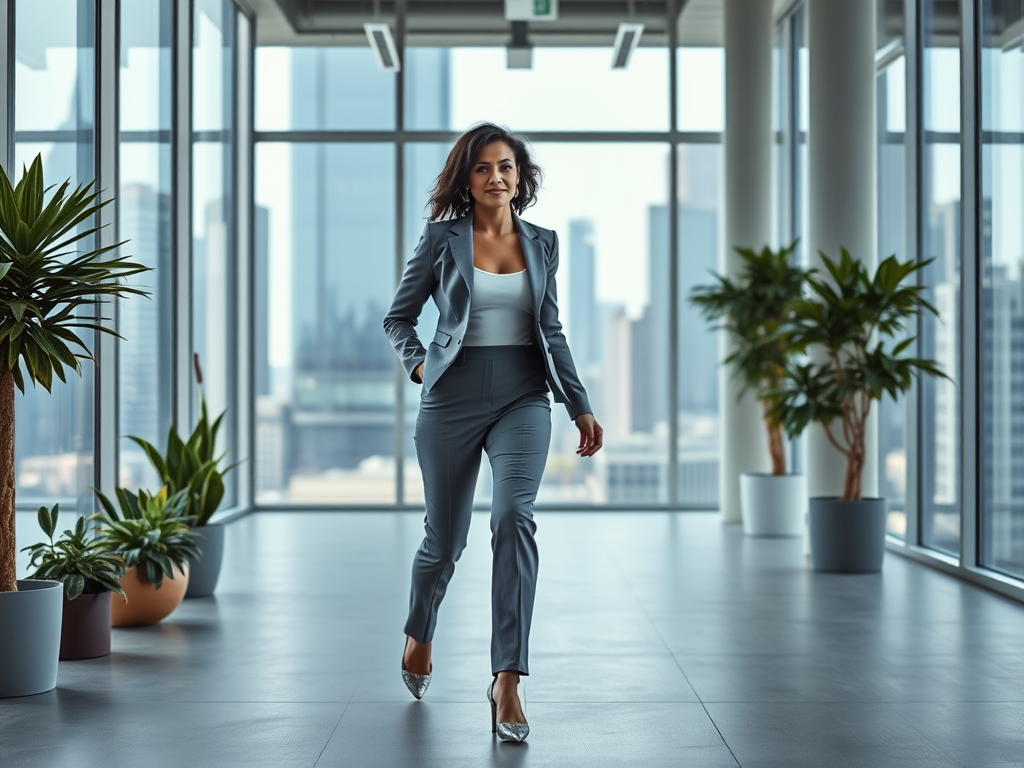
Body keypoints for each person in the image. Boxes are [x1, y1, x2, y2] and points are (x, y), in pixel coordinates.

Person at [384, 122, 603, 743]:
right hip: (450, 397)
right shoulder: (440, 240)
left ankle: (507, 680)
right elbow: (399, 317)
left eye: (505, 167)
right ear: (466, 178)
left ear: (520, 177)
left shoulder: (544, 243)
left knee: (513, 518)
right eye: (482, 168)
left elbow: (551, 329)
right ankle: (420, 630)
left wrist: (579, 403)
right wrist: (421, 364)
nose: (496, 178)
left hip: (524, 396)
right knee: (444, 542)